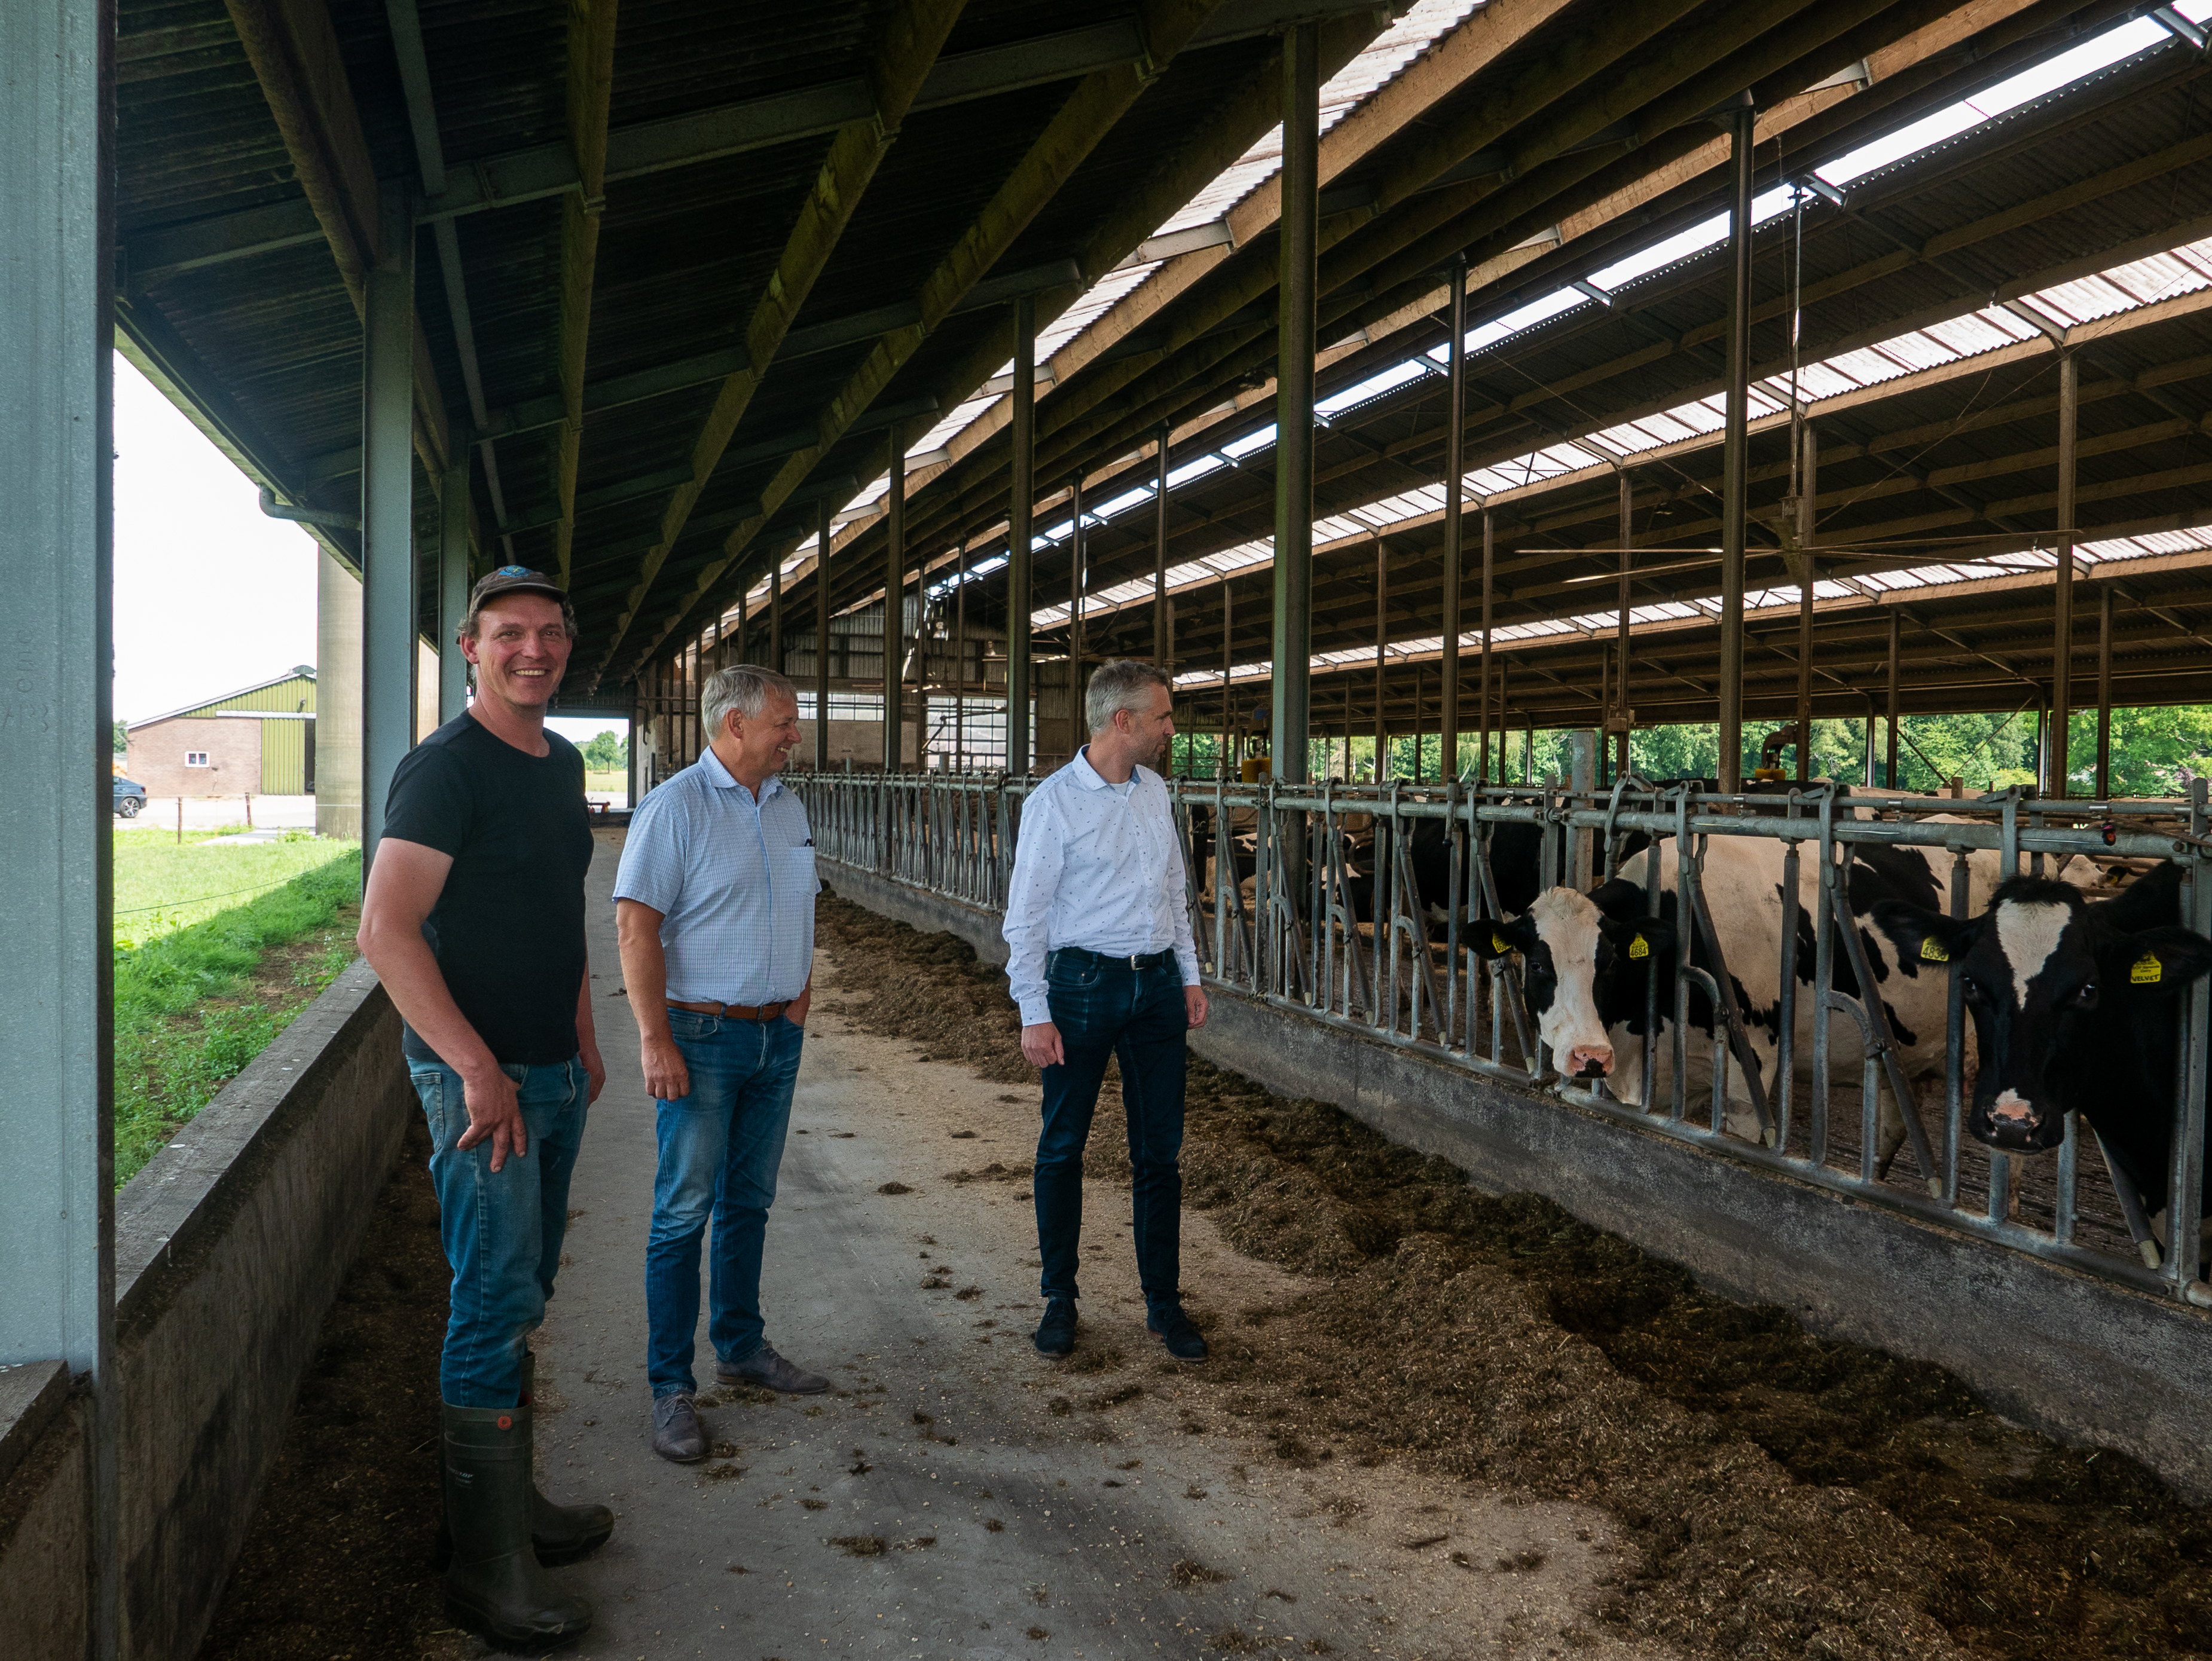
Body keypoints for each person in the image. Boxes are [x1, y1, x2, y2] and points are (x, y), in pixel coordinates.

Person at [357, 566, 610, 1648]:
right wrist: (475, 1064)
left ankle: (510, 1510)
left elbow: (557, 910)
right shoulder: (444, 768)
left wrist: (583, 1035)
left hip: (549, 1068)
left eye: (550, 632)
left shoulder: (562, 763)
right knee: (492, 1296)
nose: (533, 649)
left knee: (525, 1286)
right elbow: (384, 930)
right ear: (471, 647)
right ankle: (483, 1564)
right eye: (510, 633)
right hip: (480, 1084)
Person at [613, 663, 829, 1465]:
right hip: (700, 1036)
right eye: (783, 721)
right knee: (683, 1210)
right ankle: (671, 1385)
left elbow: (799, 906)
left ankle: (740, 1345)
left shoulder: (788, 806)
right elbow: (635, 927)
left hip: (776, 1035)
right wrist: (654, 1038)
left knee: (750, 1200)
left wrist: (798, 1000)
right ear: (734, 724)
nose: (795, 734)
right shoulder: (676, 807)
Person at [1002, 659, 1210, 1362]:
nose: (1170, 728)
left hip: (1155, 987)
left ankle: (1163, 1303)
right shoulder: (1054, 802)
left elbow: (1175, 890)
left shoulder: (1155, 792)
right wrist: (1033, 1010)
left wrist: (1188, 975)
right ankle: (1059, 1296)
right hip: (1082, 986)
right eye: (1162, 715)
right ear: (1123, 721)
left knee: (1158, 1153)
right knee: (1063, 1144)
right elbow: (1026, 916)